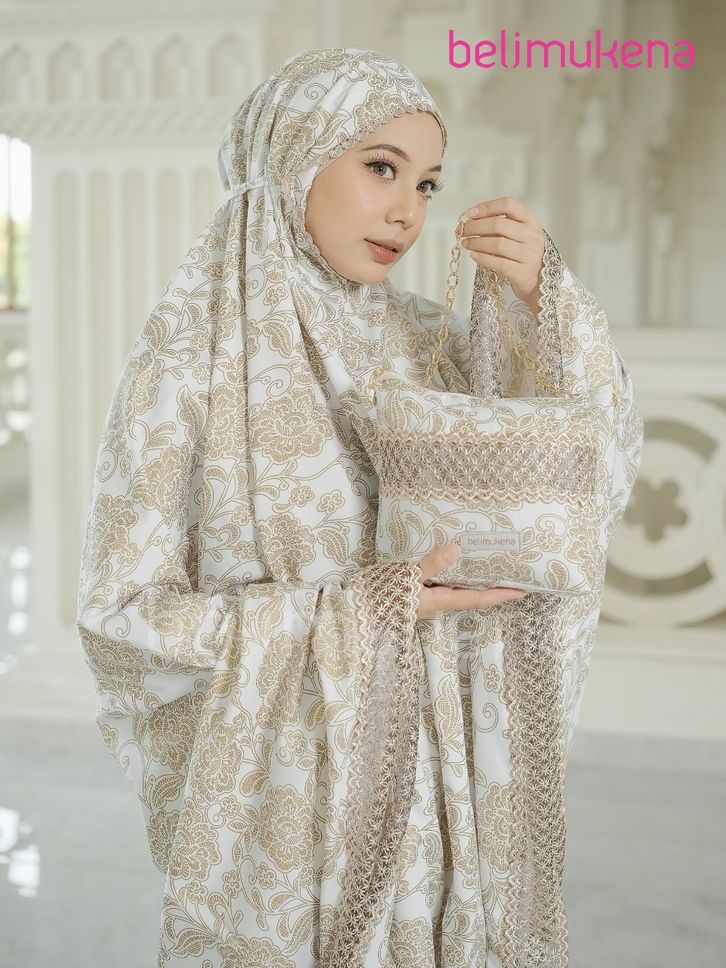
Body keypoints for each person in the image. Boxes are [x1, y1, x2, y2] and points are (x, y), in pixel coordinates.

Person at [76, 47, 643, 967]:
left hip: (443, 773)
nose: (408, 210)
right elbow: (121, 618)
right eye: (381, 167)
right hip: (304, 793)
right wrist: (361, 611)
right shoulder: (184, 366)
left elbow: (586, 474)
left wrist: (547, 302)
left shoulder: (431, 339)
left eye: (427, 183)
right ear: (293, 157)